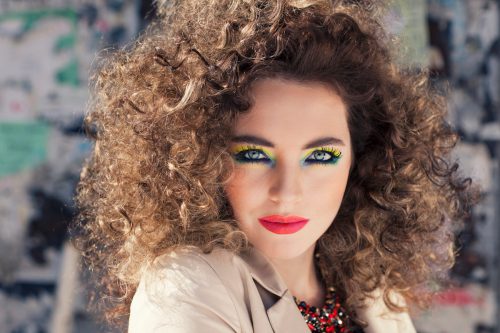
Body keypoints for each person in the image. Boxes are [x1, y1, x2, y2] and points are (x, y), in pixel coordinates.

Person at [73, 0, 477, 332]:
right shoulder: (187, 288)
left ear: (363, 158)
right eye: (253, 154)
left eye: (321, 156)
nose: (287, 192)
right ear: (201, 158)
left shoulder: (370, 293)